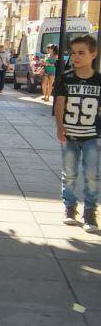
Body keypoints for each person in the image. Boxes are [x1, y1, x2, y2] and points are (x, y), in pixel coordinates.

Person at [55, 35, 99, 232]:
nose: (76, 57)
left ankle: (90, 211)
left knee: (92, 174)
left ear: (93, 54)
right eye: (73, 53)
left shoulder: (99, 81)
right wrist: (59, 127)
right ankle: (69, 207)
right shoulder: (66, 78)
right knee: (69, 173)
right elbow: (59, 104)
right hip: (70, 134)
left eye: (81, 52)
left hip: (93, 135)